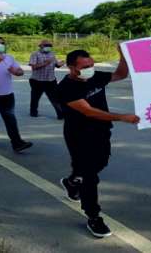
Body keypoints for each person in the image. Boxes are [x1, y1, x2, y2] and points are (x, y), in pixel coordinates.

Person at [57, 46, 139, 238]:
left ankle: (72, 182)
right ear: (71, 68)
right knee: (90, 177)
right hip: (79, 136)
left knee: (101, 162)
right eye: (85, 66)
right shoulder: (66, 88)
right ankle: (93, 216)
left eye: (92, 64)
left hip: (101, 131)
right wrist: (122, 117)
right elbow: (89, 111)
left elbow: (120, 74)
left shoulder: (95, 76)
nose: (90, 68)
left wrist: (123, 56)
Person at [28, 40, 64, 119]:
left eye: (50, 45)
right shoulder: (35, 54)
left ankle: (60, 114)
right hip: (37, 81)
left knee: (55, 98)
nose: (49, 47)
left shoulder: (52, 54)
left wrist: (61, 64)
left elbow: (56, 65)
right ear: (40, 46)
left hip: (51, 80)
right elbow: (33, 67)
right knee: (35, 97)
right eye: (46, 45)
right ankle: (33, 112)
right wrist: (45, 63)